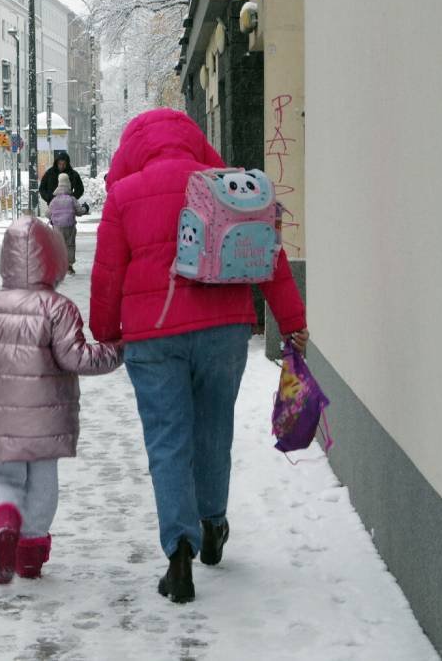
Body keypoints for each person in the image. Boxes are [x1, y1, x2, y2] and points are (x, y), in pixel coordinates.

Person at [89, 108, 308, 604]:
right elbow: (268, 256)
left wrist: (107, 331)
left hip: (153, 336)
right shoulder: (227, 186)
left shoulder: (124, 195)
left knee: (168, 440)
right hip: (224, 330)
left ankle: (179, 557)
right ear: (194, 142)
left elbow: (107, 273)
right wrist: (292, 322)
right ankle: (213, 526)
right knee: (213, 429)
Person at [0, 216, 123, 584]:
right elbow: (77, 358)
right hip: (46, 420)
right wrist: (118, 350)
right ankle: (31, 553)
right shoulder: (59, 308)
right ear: (53, 259)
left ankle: (4, 521)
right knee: (42, 484)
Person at [47, 173, 79, 274]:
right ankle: (69, 266)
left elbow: (47, 213)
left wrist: (53, 218)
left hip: (57, 227)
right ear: (68, 184)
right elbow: (79, 211)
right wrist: (85, 208)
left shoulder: (54, 200)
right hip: (70, 226)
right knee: (70, 245)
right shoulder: (72, 199)